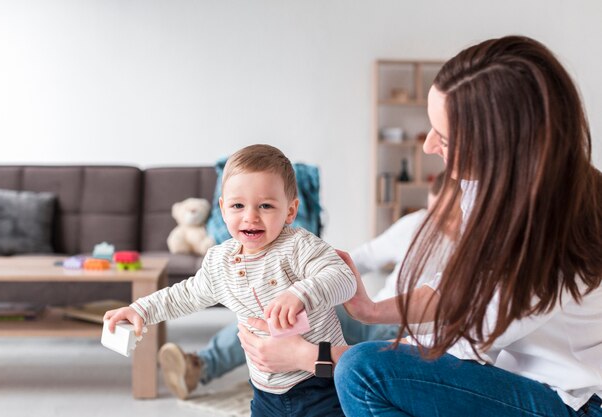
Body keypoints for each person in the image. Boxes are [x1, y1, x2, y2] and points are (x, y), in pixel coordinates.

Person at [238, 35, 602, 417]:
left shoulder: (550, 234)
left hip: (574, 404)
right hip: (518, 378)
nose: (428, 145)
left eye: (443, 136)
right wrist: (372, 310)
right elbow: (460, 290)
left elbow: (456, 343)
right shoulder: (485, 186)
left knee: (362, 371)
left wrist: (308, 357)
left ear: (503, 144)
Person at [104, 144, 356, 417]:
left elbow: (343, 278)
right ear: (223, 209)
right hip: (264, 391)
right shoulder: (219, 261)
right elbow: (185, 295)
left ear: (290, 211)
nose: (250, 216)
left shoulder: (299, 246)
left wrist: (300, 293)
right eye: (238, 205)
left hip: (319, 385)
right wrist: (141, 309)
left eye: (266, 205)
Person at [157, 172, 450, 400]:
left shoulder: (478, 253)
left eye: (448, 217)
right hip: (371, 310)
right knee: (268, 309)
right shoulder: (417, 224)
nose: (437, 224)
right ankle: (200, 366)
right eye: (434, 213)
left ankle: (279, 374)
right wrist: (311, 279)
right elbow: (360, 258)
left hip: (406, 330)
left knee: (307, 342)